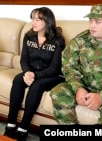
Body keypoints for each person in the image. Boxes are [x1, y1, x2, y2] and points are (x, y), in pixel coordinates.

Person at [4, 7, 65, 141]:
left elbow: (55, 68)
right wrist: (27, 73)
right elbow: (23, 59)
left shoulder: (57, 40)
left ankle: (24, 127)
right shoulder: (28, 36)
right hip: (32, 72)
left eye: (38, 19)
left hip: (52, 75)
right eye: (33, 19)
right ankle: (11, 123)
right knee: (18, 79)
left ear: (47, 21)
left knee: (37, 85)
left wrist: (35, 76)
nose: (34, 22)